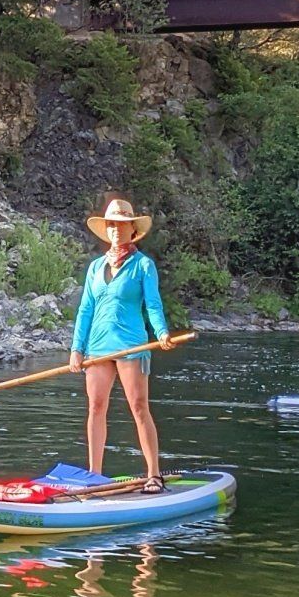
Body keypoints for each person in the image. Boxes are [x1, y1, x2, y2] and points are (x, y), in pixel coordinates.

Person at [70, 198, 175, 492]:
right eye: (111, 225)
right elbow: (85, 310)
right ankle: (94, 476)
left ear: (132, 230)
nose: (116, 229)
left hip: (131, 344)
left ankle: (154, 474)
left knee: (139, 407)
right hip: (97, 346)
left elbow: (153, 305)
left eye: (121, 225)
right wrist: (77, 349)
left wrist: (162, 332)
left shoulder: (143, 265)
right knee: (96, 407)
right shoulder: (95, 268)